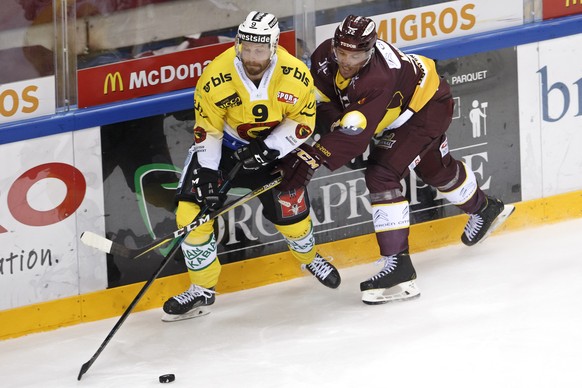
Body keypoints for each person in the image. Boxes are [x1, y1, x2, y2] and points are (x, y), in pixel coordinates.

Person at [278, 15, 514, 305]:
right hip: (399, 109)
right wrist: (336, 128)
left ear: (371, 49)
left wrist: (314, 156)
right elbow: (324, 103)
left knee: (381, 174)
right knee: (435, 169)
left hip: (426, 108)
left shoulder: (378, 77)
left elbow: (357, 134)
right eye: (342, 52)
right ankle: (485, 209)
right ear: (335, 45)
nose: (347, 61)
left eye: (356, 55)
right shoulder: (325, 55)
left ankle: (399, 269)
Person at [162, 11, 341, 322]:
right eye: (246, 48)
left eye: (259, 50)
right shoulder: (215, 76)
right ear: (238, 44)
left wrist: (268, 149)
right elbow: (209, 130)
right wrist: (207, 172)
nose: (252, 57)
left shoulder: (296, 75)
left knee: (293, 215)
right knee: (190, 213)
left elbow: (303, 123)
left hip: (276, 150)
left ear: (272, 47)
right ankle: (202, 288)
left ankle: (309, 258)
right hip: (225, 150)